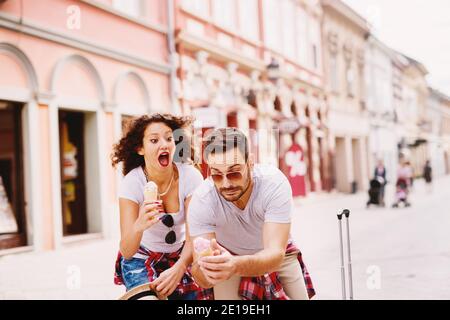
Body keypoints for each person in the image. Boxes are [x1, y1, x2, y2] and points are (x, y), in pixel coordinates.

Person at [188, 128, 315, 300]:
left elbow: (275, 255)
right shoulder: (203, 198)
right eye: (217, 175)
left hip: (274, 253)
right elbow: (199, 274)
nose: (226, 184)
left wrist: (236, 265)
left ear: (250, 162)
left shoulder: (273, 184)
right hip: (227, 256)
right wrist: (207, 270)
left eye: (234, 172)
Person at [111, 113, 212, 300]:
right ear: (140, 148)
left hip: (183, 255)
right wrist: (139, 225)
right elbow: (127, 250)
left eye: (168, 138)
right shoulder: (132, 183)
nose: (164, 144)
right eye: (154, 140)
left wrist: (180, 267)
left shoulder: (191, 177)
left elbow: (194, 237)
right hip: (141, 258)